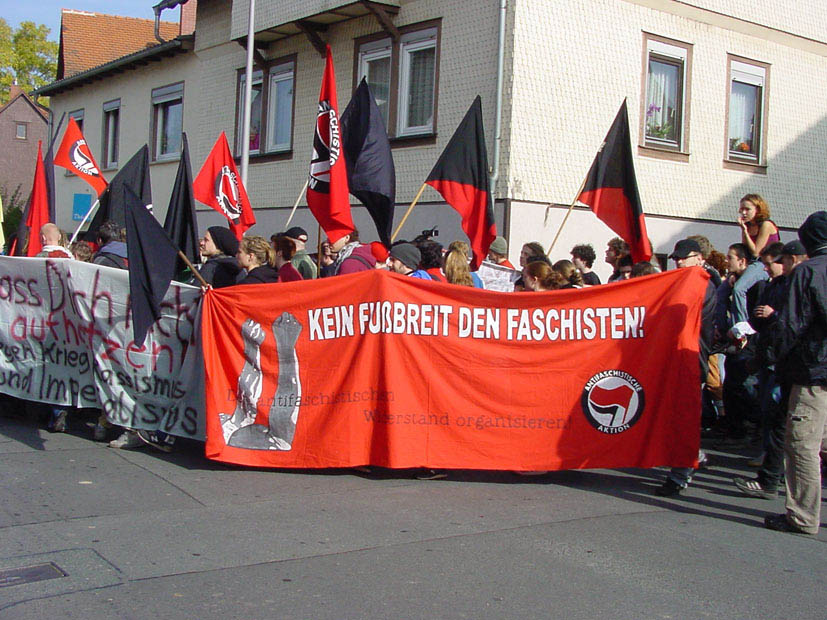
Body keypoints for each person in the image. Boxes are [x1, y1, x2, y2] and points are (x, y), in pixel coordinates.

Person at [764, 211, 826, 536]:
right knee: (822, 441)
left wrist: (774, 357)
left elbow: (793, 324)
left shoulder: (808, 273)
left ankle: (802, 516)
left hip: (813, 371)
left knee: (802, 444)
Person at [733, 241, 803, 499]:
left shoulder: (795, 285)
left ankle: (773, 476)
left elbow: (793, 323)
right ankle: (771, 471)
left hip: (785, 363)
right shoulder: (773, 286)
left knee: (781, 420)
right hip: (771, 360)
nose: (767, 268)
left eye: (772, 263)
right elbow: (761, 319)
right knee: (772, 417)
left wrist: (773, 316)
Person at [655, 238, 715, 496]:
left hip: (691, 359)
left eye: (684, 257)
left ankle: (681, 474)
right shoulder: (683, 283)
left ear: (700, 258)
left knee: (684, 417)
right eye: (676, 258)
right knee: (675, 416)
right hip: (677, 358)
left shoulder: (703, 286)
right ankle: (693, 455)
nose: (679, 261)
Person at [738, 193, 780, 258]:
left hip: (768, 261)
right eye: (742, 209)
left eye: (747, 209)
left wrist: (745, 231)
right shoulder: (748, 225)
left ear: (757, 210)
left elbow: (756, 253)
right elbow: (745, 249)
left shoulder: (766, 225)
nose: (743, 213)